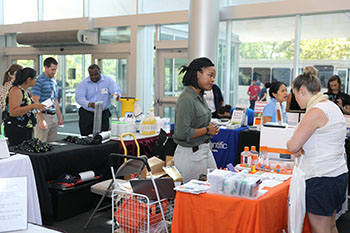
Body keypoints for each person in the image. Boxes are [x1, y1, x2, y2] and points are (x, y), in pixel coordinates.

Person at [287, 71, 348, 233]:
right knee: (331, 225)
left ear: (302, 90)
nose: (295, 99)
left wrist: (297, 146)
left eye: (294, 94)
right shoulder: (332, 107)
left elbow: (292, 146)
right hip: (338, 174)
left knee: (320, 229)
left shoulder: (315, 111)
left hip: (321, 177)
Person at [173, 57, 220, 183]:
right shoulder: (186, 99)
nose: (212, 80)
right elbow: (182, 133)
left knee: (215, 185)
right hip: (190, 154)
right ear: (198, 74)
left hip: (204, 149)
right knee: (194, 198)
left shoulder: (199, 96)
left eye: (213, 76)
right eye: (210, 75)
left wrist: (209, 128)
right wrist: (206, 130)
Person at [3, 68, 46, 146]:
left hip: (26, 127)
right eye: (35, 78)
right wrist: (32, 106)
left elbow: (26, 110)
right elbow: (13, 112)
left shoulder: (26, 91)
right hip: (16, 128)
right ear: (29, 79)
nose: (36, 80)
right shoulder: (16, 90)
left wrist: (37, 108)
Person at [75, 64, 121, 136]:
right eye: (91, 75)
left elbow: (115, 91)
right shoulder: (83, 83)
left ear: (100, 72)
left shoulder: (108, 81)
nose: (94, 77)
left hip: (103, 114)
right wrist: (89, 104)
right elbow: (79, 98)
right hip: (87, 114)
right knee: (86, 137)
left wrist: (116, 96)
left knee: (103, 136)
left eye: (96, 74)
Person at [32, 57, 63, 142]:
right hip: (43, 114)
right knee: (41, 143)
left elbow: (55, 100)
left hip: (53, 116)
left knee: (52, 145)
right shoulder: (38, 81)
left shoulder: (53, 82)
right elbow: (35, 102)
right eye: (52, 69)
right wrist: (41, 120)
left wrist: (60, 116)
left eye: (55, 69)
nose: (54, 72)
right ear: (45, 67)